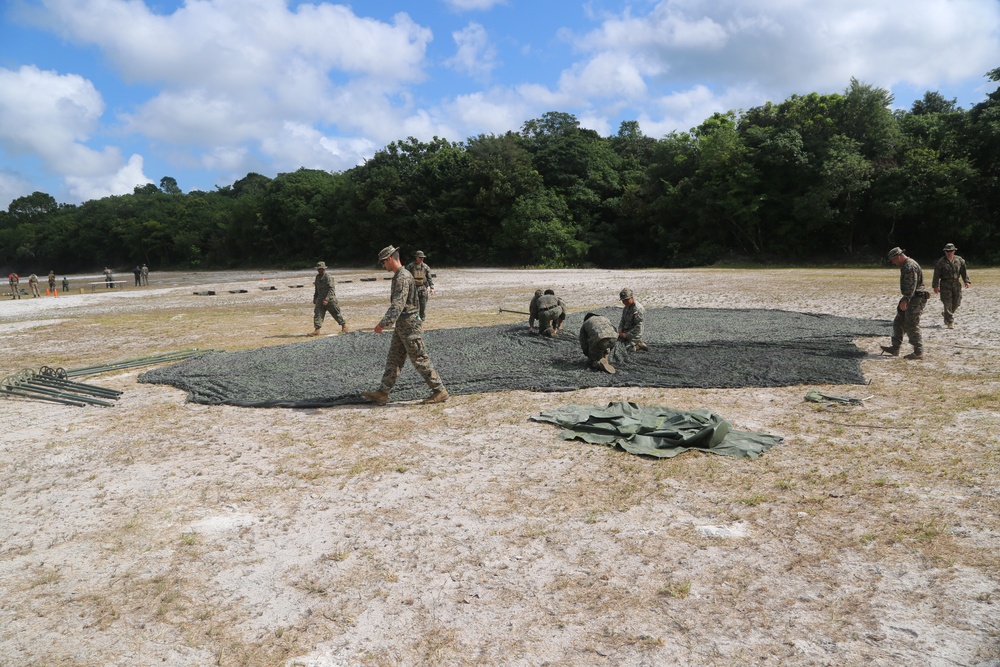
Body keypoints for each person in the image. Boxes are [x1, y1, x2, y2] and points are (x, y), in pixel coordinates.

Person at [361, 245, 448, 406]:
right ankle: (383, 392)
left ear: (389, 259)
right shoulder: (401, 274)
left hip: (409, 325)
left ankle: (439, 390)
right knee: (394, 359)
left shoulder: (402, 277)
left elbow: (398, 305)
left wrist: (383, 324)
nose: (383, 266)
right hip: (403, 325)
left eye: (383, 263)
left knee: (419, 358)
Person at [881, 247, 929, 360]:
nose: (893, 263)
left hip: (915, 298)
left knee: (912, 324)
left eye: (893, 260)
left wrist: (906, 299)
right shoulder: (906, 265)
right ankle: (895, 347)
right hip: (911, 297)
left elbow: (912, 284)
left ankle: (918, 351)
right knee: (899, 321)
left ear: (898, 257)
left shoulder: (909, 266)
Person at [932, 243, 971, 329]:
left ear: (954, 251)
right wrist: (935, 286)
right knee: (947, 303)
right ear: (945, 252)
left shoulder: (960, 260)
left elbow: (963, 271)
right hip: (945, 285)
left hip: (956, 284)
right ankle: (950, 321)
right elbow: (936, 275)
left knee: (957, 302)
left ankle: (946, 314)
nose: (949, 253)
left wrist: (966, 281)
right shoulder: (941, 262)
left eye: (951, 251)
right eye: (947, 251)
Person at [308, 261, 349, 336]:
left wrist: (327, 299)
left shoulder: (328, 277)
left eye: (321, 269)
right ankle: (317, 330)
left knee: (336, 314)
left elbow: (331, 289)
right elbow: (316, 288)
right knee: (318, 314)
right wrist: (315, 297)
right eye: (318, 269)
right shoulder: (317, 277)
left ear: (324, 269)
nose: (320, 270)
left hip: (330, 300)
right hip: (320, 299)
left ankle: (344, 326)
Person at [404, 250, 435, 320]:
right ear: (416, 257)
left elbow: (429, 277)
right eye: (420, 257)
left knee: (423, 306)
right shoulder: (410, 266)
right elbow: (406, 278)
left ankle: (422, 320)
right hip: (413, 289)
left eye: (423, 258)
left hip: (423, 289)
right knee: (413, 306)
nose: (421, 259)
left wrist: (432, 287)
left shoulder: (425, 267)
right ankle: (414, 320)